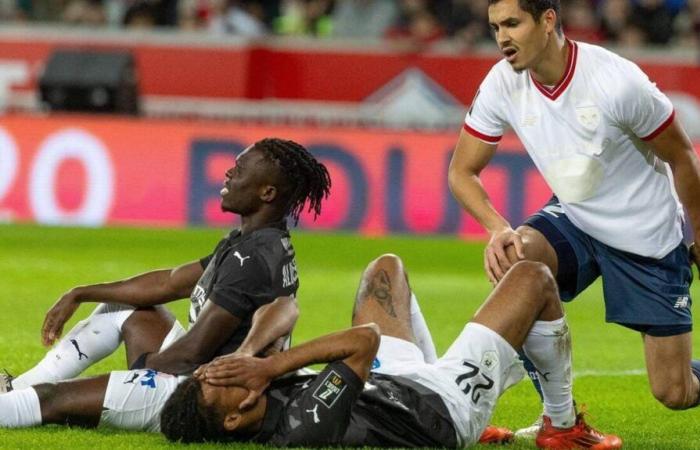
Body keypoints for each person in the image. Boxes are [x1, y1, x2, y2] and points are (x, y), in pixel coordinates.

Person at [447, 0, 700, 432]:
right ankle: (558, 420)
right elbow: (461, 171)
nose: (502, 37)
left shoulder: (616, 82)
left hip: (647, 234)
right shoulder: (502, 82)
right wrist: (498, 229)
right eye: (494, 27)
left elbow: (683, 159)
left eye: (512, 23)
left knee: (674, 392)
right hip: (577, 218)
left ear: (547, 21)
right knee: (517, 256)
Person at [0, 137, 331, 432]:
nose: (229, 175)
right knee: (126, 309)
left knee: (51, 401)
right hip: (199, 372)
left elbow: (192, 352)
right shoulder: (253, 242)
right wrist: (81, 293)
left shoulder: (252, 260)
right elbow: (169, 282)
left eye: (239, 170)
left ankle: (17, 397)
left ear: (267, 193)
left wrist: (137, 375)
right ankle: (18, 386)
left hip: (202, 396)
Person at [160, 254, 621, 449]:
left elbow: (287, 310)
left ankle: (446, 363)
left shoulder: (251, 397)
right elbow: (364, 341)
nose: (228, 372)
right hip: (441, 409)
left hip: (387, 385)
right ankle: (562, 427)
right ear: (234, 418)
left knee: (384, 269)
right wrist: (270, 365)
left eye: (214, 371)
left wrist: (251, 356)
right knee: (533, 277)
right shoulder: (303, 427)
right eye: (223, 382)